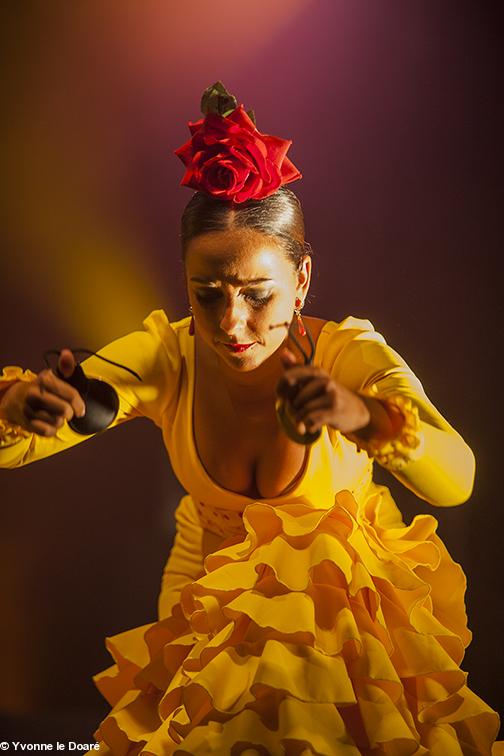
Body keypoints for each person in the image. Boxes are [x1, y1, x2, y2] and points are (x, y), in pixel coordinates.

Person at [0, 83, 501, 755]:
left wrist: (360, 416)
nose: (231, 323)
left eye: (257, 294)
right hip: (206, 608)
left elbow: (457, 478)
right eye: (206, 295)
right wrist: (25, 410)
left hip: (337, 624)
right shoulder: (170, 354)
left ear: (300, 281)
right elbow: (88, 403)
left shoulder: (348, 352)